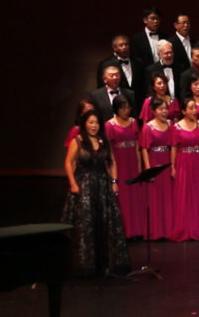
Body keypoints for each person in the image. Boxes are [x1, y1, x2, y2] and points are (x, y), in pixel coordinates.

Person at [62, 110, 130, 277]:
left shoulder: (104, 140)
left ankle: (105, 263)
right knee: (85, 224)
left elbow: (112, 161)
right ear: (85, 123)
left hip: (102, 186)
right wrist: (72, 183)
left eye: (97, 123)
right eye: (91, 122)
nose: (94, 126)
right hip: (84, 185)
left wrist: (114, 182)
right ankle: (85, 264)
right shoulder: (77, 141)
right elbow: (68, 163)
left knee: (105, 222)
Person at [105, 95, 143, 238]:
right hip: (120, 164)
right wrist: (112, 171)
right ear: (116, 109)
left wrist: (139, 166)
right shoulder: (110, 125)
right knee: (124, 199)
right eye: (122, 107)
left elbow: (137, 146)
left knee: (135, 197)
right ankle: (125, 232)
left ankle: (137, 231)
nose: (126, 110)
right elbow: (109, 151)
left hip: (133, 163)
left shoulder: (133, 122)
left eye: (128, 107)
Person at [169, 97, 199, 241]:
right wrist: (173, 167)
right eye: (191, 108)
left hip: (197, 161)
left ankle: (198, 229)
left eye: (195, 108)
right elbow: (173, 147)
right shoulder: (176, 127)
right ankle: (184, 229)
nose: (194, 111)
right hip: (183, 162)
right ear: (184, 111)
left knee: (198, 195)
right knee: (184, 195)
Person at [139, 98, 175, 239]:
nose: (164, 112)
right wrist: (149, 171)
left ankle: (169, 231)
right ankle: (156, 232)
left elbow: (174, 146)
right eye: (161, 109)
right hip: (155, 163)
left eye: (166, 108)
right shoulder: (148, 127)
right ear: (153, 111)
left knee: (168, 198)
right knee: (156, 198)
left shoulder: (171, 124)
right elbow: (144, 149)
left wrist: (173, 166)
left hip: (167, 162)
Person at [96, 35, 144, 107]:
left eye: (126, 44)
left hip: (137, 104)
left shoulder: (138, 62)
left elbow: (143, 84)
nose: (124, 47)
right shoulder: (106, 64)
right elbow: (101, 87)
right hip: (116, 104)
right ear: (114, 48)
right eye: (121, 45)